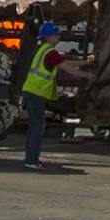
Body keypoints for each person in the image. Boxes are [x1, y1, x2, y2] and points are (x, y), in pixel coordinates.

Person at [17, 21, 74, 171]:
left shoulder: (44, 49)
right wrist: (88, 74)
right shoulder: (50, 52)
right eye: (56, 34)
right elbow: (68, 69)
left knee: (35, 127)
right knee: (37, 128)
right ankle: (31, 159)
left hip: (32, 92)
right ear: (49, 37)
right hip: (36, 93)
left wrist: (85, 63)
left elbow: (64, 63)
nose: (59, 37)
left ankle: (31, 158)